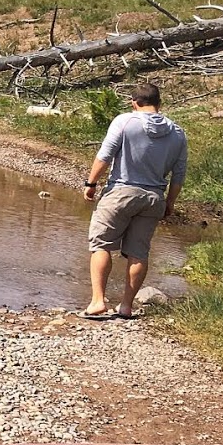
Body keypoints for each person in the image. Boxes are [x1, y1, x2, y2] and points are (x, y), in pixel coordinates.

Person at [80, 81, 187, 319]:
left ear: (134, 103)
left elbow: (105, 155)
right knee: (139, 251)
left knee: (101, 244)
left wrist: (91, 183)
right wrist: (169, 203)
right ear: (160, 104)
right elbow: (179, 174)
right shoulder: (178, 133)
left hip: (121, 192)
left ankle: (98, 302)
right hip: (153, 198)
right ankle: (126, 306)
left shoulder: (125, 121)